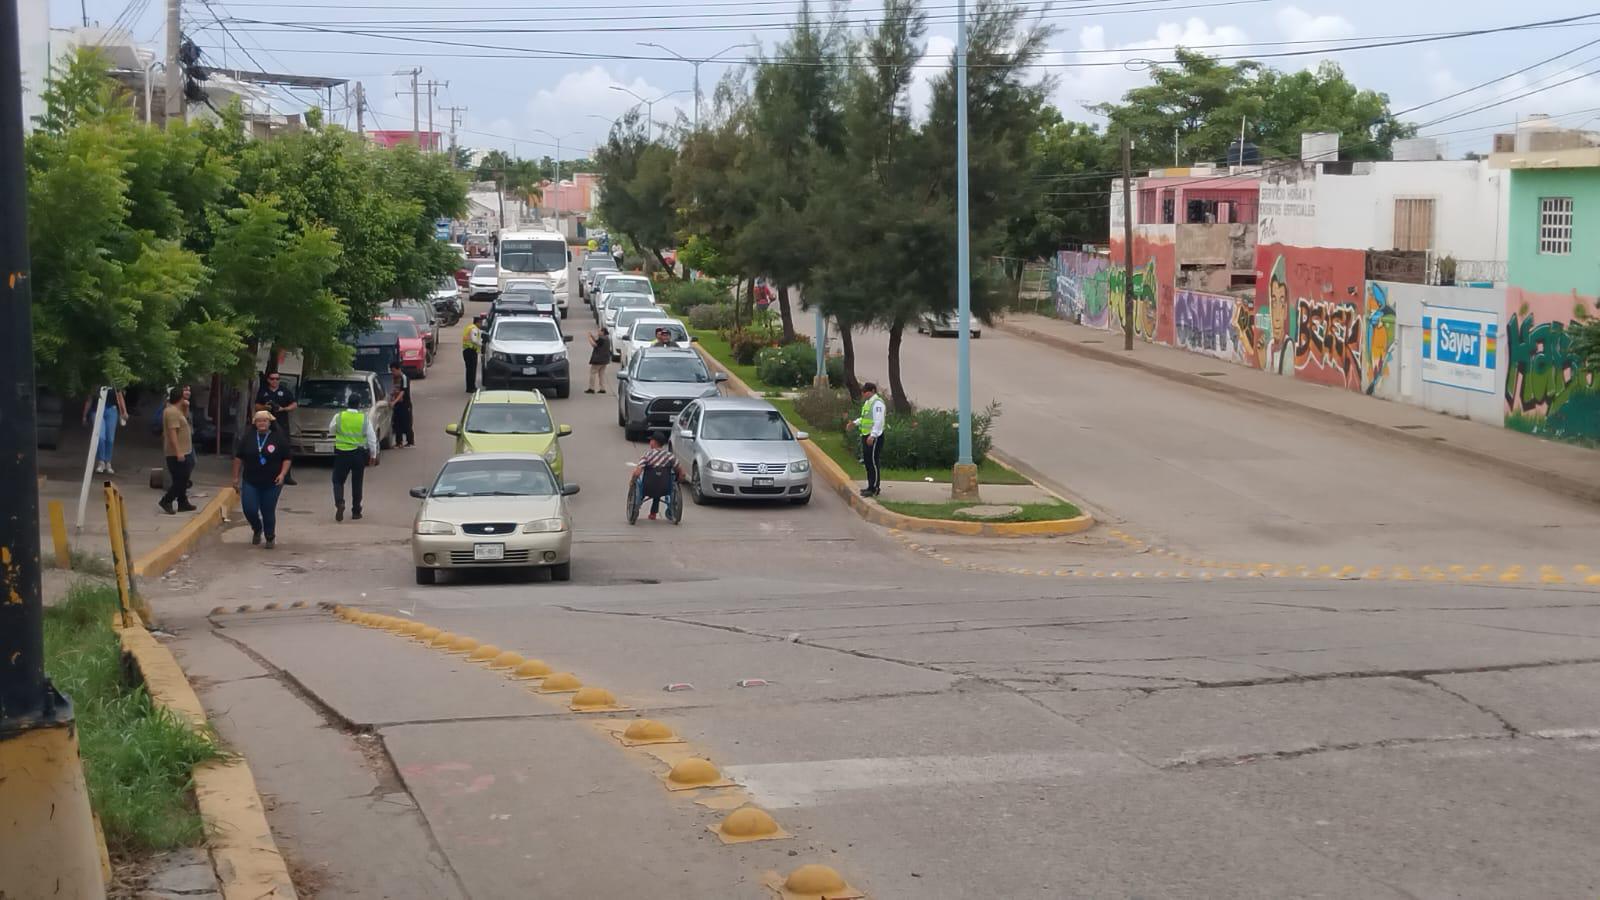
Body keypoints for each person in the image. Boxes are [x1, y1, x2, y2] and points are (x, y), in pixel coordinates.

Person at [233, 410, 291, 548]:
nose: (262, 423)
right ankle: (257, 528)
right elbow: (238, 457)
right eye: (259, 421)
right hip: (250, 480)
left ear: (270, 423)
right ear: (255, 423)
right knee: (249, 509)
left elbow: (287, 458)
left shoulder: (279, 438)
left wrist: (282, 474)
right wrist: (235, 477)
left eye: (265, 420)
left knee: (267, 510)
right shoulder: (248, 437)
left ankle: (270, 536)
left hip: (272, 482)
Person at [329, 393, 379, 522]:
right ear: (359, 405)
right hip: (358, 454)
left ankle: (340, 502)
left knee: (338, 481)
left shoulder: (339, 416)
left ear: (347, 403)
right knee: (357, 483)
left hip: (342, 453)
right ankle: (356, 511)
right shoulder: (364, 418)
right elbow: (372, 438)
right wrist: (373, 455)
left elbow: (331, 430)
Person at [158, 386, 198, 514]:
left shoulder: (178, 410)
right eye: (184, 392)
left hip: (186, 450)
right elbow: (172, 433)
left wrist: (186, 407)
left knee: (180, 478)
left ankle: (182, 501)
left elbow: (186, 420)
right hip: (177, 452)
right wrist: (178, 451)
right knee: (182, 479)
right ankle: (166, 500)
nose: (187, 394)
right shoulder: (171, 412)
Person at [255, 372, 299, 484]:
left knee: (285, 449)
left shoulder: (284, 391)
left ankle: (287, 476)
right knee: (265, 448)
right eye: (272, 379)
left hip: (282, 424)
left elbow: (294, 404)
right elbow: (256, 406)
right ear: (268, 380)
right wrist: (266, 407)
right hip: (266, 425)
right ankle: (265, 474)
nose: (275, 381)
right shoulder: (264, 391)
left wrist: (283, 409)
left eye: (277, 379)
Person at [631, 431, 685, 521]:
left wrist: (632, 481)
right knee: (662, 483)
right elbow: (681, 473)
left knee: (642, 483)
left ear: (653, 442)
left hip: (648, 487)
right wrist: (678, 481)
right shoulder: (670, 456)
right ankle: (653, 513)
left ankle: (638, 505)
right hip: (664, 487)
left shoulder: (647, 455)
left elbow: (637, 473)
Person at [847, 382, 887, 498]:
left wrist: (873, 435)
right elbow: (865, 418)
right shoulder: (868, 403)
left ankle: (875, 487)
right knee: (868, 462)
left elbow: (878, 421)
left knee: (873, 462)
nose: (864, 394)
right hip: (866, 435)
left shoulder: (877, 403)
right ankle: (870, 486)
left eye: (866, 392)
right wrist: (854, 423)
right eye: (863, 392)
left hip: (874, 437)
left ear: (873, 391)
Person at [82, 387, 128, 475]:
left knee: (110, 438)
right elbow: (89, 399)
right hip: (97, 410)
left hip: (111, 409)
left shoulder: (114, 380)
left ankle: (108, 462)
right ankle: (101, 461)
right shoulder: (96, 381)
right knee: (100, 437)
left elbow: (119, 396)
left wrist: (124, 412)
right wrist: (84, 415)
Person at [388, 362, 414, 447]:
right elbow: (395, 389)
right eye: (392, 371)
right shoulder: (394, 378)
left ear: (399, 369)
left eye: (394, 371)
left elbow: (403, 392)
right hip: (397, 404)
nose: (393, 373)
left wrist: (394, 402)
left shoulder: (404, 378)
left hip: (405, 404)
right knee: (397, 423)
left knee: (406, 423)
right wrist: (391, 396)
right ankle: (399, 442)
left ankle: (410, 441)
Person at [462, 315, 484, 393]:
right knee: (472, 370)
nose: (482, 325)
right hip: (471, 351)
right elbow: (474, 340)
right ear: (477, 323)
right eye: (481, 323)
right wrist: (481, 344)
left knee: (469, 370)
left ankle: (470, 387)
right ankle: (471, 387)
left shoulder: (470, 327)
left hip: (466, 351)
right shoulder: (474, 329)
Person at [586, 328, 610, 394]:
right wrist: (592, 337)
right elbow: (597, 342)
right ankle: (602, 388)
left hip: (598, 359)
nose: (598, 332)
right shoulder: (606, 338)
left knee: (592, 372)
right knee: (601, 374)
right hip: (605, 360)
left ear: (603, 332)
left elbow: (594, 345)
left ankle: (591, 388)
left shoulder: (602, 339)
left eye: (599, 331)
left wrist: (589, 338)